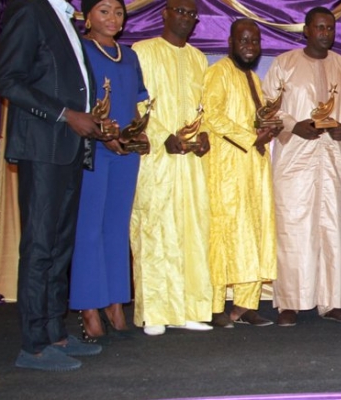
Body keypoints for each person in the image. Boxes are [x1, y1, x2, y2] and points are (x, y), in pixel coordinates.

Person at [0, 0, 107, 371]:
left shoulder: (64, 17)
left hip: (68, 148)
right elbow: (8, 79)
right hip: (42, 147)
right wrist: (66, 114)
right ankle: (33, 346)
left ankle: (54, 332)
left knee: (60, 246)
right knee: (40, 246)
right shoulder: (31, 10)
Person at [263, 7, 341, 326]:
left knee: (332, 228)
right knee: (293, 227)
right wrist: (293, 125)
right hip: (295, 158)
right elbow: (268, 107)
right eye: (319, 27)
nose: (325, 33)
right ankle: (290, 302)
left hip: (331, 157)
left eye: (330, 28)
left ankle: (331, 302)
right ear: (306, 30)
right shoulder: (285, 64)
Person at [131, 0, 214, 336]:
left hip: (191, 161)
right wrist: (162, 135)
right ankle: (154, 312)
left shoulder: (198, 58)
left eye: (191, 14)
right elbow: (136, 103)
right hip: (156, 158)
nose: (185, 18)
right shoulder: (142, 51)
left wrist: (205, 134)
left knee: (192, 230)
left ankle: (189, 309)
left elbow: (203, 107)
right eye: (179, 11)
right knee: (155, 229)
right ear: (165, 14)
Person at [71, 0, 150, 341]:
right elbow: (77, 102)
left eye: (118, 12)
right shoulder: (79, 50)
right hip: (94, 149)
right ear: (87, 16)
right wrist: (104, 134)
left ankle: (116, 302)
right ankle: (88, 305)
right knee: (89, 228)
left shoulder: (129, 55)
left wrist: (138, 132)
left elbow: (134, 102)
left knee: (117, 228)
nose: (112, 18)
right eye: (103, 11)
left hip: (125, 152)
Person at [202, 19, 277, 328]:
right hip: (226, 168)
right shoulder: (218, 73)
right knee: (223, 234)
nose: (250, 47)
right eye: (244, 40)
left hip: (253, 167)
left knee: (254, 231)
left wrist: (269, 128)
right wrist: (250, 138)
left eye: (255, 41)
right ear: (230, 43)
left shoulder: (253, 79)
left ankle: (245, 306)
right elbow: (212, 115)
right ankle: (214, 306)